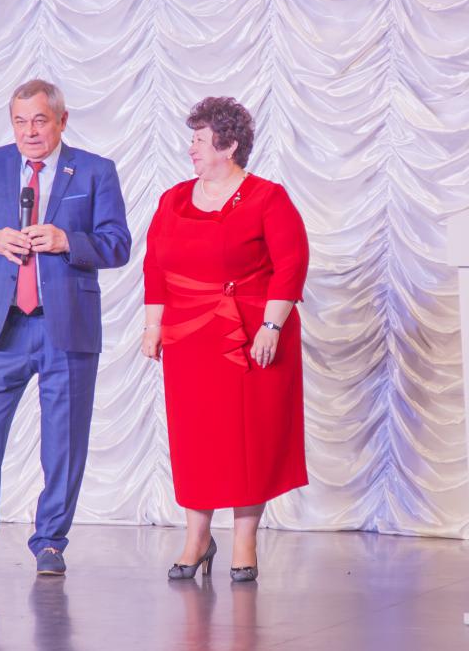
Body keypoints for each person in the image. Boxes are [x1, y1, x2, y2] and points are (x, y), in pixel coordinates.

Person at [0, 79, 131, 577]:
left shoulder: (95, 170)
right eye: (19, 121)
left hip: (66, 328)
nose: (29, 131)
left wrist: (67, 240)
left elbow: (117, 243)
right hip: (4, 327)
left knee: (64, 444)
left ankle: (50, 544)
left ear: (61, 120)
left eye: (39, 120)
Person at [141, 96, 309, 582]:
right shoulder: (173, 199)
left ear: (229, 145)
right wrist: (153, 326)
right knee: (197, 439)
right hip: (190, 337)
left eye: (199, 139)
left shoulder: (267, 197)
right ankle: (197, 537)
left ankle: (244, 541)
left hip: (252, 336)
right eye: (192, 138)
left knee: (249, 441)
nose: (190, 147)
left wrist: (271, 327)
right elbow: (155, 267)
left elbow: (291, 264)